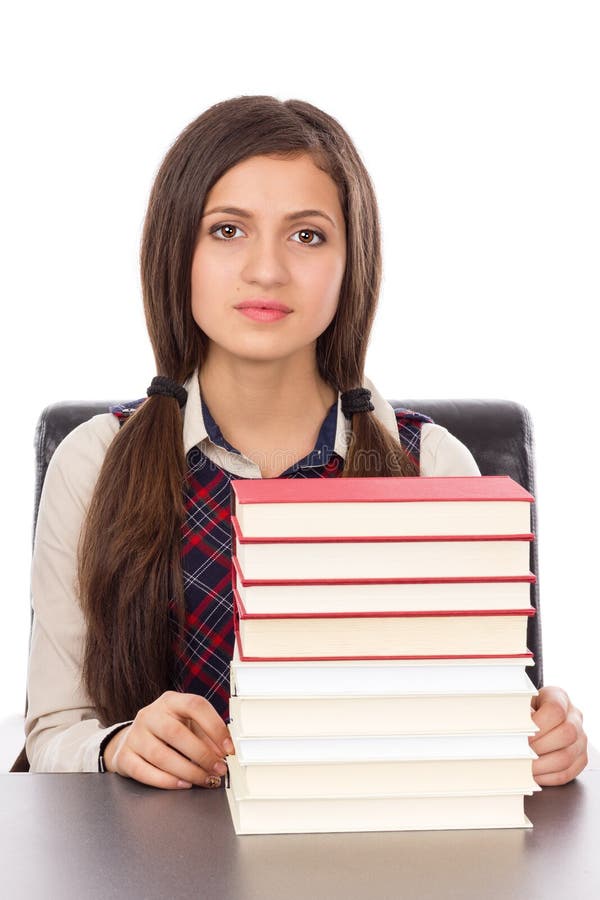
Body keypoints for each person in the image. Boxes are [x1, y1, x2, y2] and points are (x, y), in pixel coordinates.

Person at [24, 95, 587, 791]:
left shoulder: (431, 466)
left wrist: (539, 737)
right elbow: (53, 733)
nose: (266, 270)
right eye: (228, 231)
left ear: (353, 261)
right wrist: (116, 747)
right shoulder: (95, 460)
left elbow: (480, 722)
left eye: (308, 236)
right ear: (177, 250)